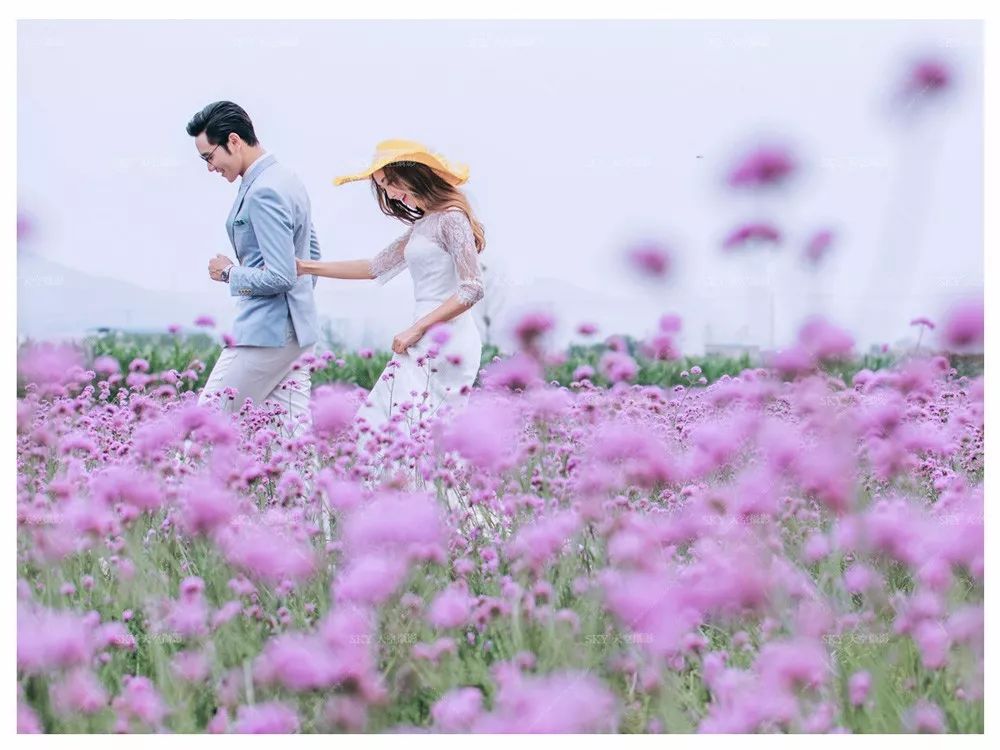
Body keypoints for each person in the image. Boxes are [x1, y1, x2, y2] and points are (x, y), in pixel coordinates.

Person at [297, 139, 486, 485]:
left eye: (392, 183)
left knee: (414, 429)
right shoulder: (423, 225)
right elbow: (373, 267)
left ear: (414, 175)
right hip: (424, 336)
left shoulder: (452, 218)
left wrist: (417, 329)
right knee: (392, 425)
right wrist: (305, 267)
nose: (393, 194)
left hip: (446, 339)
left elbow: (472, 288)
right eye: (385, 188)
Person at [186, 101, 322, 437]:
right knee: (292, 450)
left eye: (209, 157)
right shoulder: (287, 179)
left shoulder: (264, 191)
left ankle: (176, 490)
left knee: (202, 431)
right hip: (297, 332)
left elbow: (281, 275)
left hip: (266, 332)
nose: (209, 167)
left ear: (233, 141)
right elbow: (311, 256)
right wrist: (297, 308)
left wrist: (229, 273)